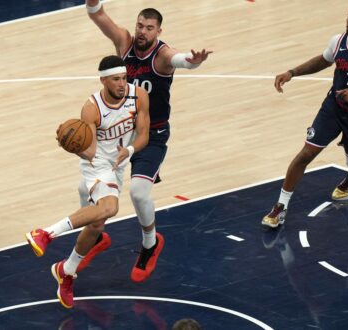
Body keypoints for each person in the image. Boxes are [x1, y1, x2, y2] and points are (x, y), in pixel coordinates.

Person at [83, 1, 211, 282]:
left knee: (139, 193)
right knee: (86, 189)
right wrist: (92, 4)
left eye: (149, 28)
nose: (142, 31)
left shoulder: (162, 55)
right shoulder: (124, 42)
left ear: (158, 31)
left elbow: (182, 60)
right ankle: (96, 236)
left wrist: (195, 60)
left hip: (152, 134)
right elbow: (99, 16)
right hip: (121, 131)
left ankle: (150, 243)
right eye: (140, 25)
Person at [25, 55, 150, 308]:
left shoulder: (138, 96)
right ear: (103, 80)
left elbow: (144, 134)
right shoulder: (92, 108)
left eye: (124, 78)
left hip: (118, 165)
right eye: (116, 79)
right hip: (97, 166)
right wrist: (73, 146)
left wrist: (131, 151)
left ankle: (66, 271)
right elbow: (91, 151)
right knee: (110, 208)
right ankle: (45, 234)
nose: (122, 84)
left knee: (96, 225)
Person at [262, 1, 348, 228]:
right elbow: (323, 60)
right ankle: (280, 207)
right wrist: (292, 72)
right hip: (334, 108)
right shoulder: (338, 41)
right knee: (305, 153)